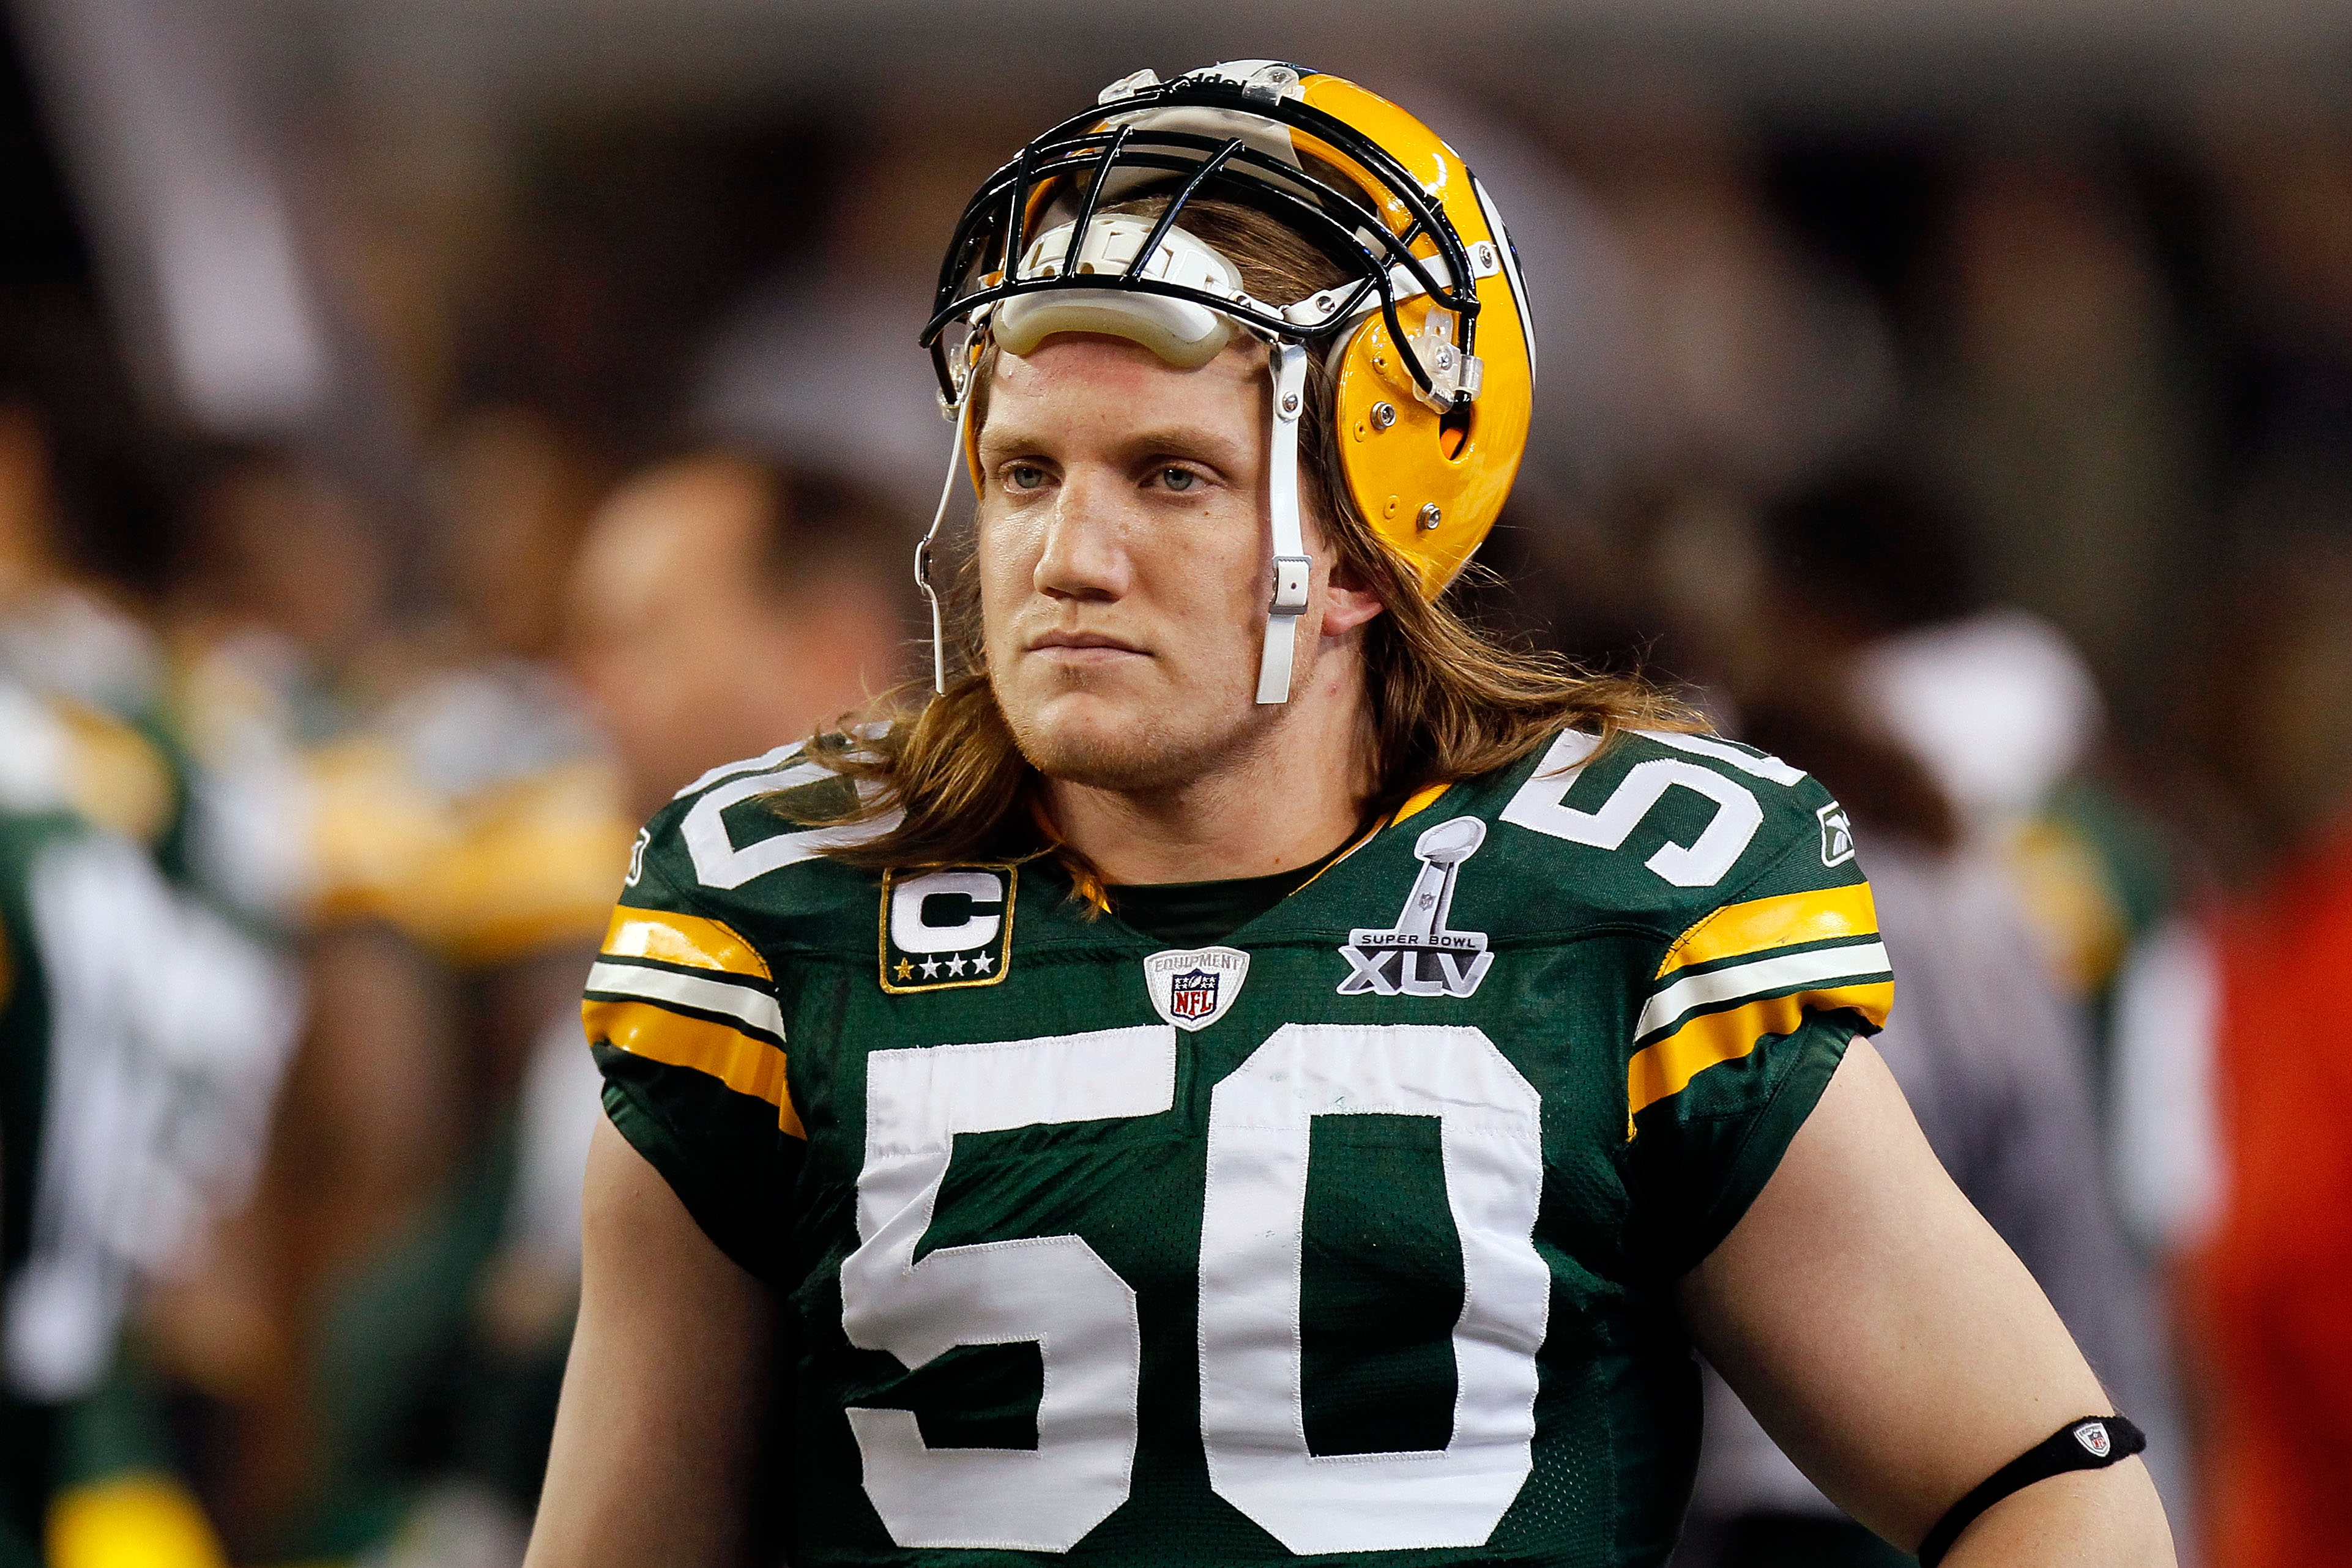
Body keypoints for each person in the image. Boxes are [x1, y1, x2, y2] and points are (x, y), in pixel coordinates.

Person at [527, 62, 2174, 1568]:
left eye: (1170, 475)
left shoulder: (1611, 901)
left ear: (1369, 540)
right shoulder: (786, 910)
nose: (1067, 556)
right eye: (1027, 472)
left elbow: (2042, 1478)